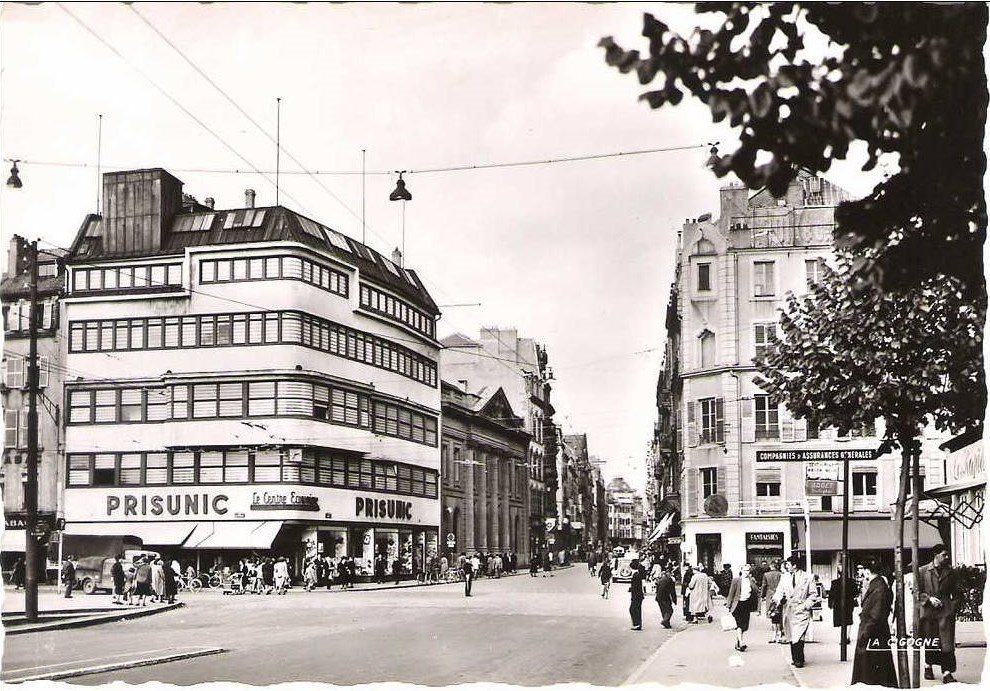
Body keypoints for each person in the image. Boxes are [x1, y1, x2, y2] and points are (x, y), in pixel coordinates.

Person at [851, 557, 898, 687]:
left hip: (873, 634)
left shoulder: (878, 587)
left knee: (872, 671)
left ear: (867, 571)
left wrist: (864, 633)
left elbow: (876, 615)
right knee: (879, 669)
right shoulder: (879, 585)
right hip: (876, 633)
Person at [918, 544, 960, 684]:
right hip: (928, 613)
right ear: (935, 555)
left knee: (946, 644)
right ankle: (928, 667)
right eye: (944, 555)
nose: (947, 557)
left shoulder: (951, 572)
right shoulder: (923, 571)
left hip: (945, 613)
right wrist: (929, 599)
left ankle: (947, 673)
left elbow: (958, 594)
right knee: (931, 641)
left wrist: (951, 609)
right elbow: (916, 592)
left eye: (947, 555)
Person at [773, 555, 819, 669]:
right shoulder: (784, 577)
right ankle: (796, 658)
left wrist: (805, 606)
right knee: (791, 635)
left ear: (795, 565)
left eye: (788, 564)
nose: (786, 566)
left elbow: (813, 594)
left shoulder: (808, 577)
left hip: (801, 609)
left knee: (799, 634)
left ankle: (799, 659)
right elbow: (779, 591)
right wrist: (777, 599)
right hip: (789, 609)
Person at [726, 564, 759, 652]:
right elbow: (731, 593)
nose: (746, 572)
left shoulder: (751, 580)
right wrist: (728, 605)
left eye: (748, 570)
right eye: (744, 570)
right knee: (739, 624)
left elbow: (756, 591)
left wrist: (753, 583)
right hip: (737, 604)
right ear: (741, 571)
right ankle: (741, 643)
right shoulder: (736, 580)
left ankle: (738, 642)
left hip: (746, 604)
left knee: (744, 626)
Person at [828, 567, 858, 643]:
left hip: (838, 604)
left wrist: (830, 604)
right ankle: (847, 637)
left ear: (839, 574)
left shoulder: (834, 583)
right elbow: (856, 593)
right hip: (849, 603)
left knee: (839, 621)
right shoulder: (852, 582)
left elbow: (831, 595)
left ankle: (842, 638)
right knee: (849, 620)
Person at [761, 560, 784, 643]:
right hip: (779, 595)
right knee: (779, 615)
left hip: (770, 595)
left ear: (770, 567)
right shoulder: (781, 574)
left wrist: (762, 595)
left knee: (772, 615)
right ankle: (780, 634)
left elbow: (764, 586)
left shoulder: (766, 575)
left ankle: (774, 636)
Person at [654, 563, 677, 629]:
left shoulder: (661, 580)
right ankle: (665, 621)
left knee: (663, 610)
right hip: (665, 597)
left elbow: (657, 588)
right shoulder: (670, 580)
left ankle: (667, 623)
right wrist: (674, 600)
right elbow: (672, 591)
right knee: (669, 610)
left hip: (659, 597)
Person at [628, 558, 645, 630]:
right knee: (636, 609)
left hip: (636, 596)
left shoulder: (636, 575)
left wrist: (632, 590)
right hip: (638, 595)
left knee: (633, 609)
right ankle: (638, 624)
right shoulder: (637, 574)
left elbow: (636, 587)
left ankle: (637, 624)